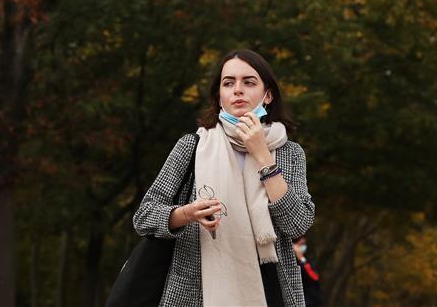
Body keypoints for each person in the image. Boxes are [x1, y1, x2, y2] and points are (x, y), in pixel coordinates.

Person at [133, 49, 315, 307]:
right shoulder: (192, 146)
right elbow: (144, 217)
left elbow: (297, 224)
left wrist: (263, 155)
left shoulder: (290, 153)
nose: (237, 90)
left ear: (268, 95)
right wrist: (187, 213)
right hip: (196, 292)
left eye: (249, 82)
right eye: (228, 83)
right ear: (219, 96)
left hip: (269, 290)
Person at [292, 236, 323, 307]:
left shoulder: (306, 261)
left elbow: (314, 277)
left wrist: (301, 259)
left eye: (304, 244)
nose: (303, 247)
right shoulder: (291, 263)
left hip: (310, 300)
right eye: (301, 244)